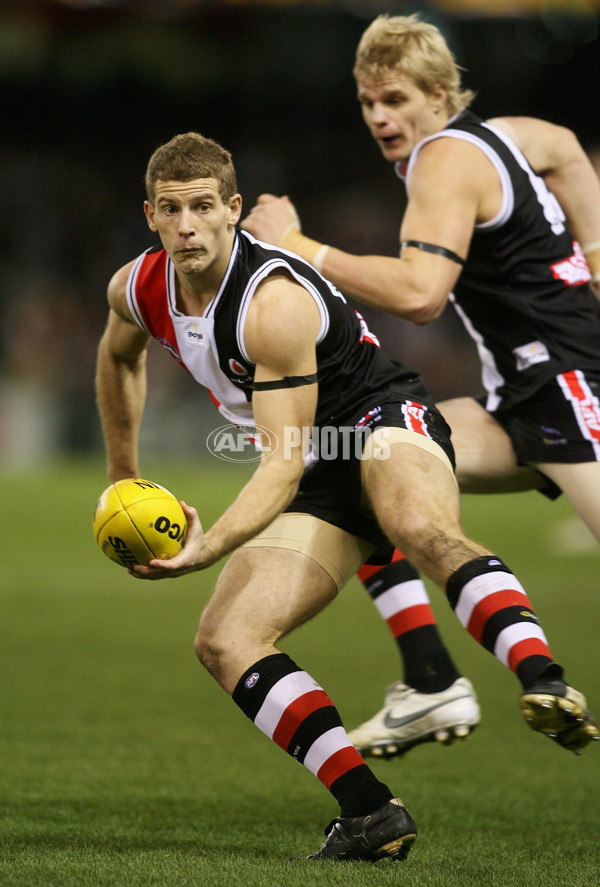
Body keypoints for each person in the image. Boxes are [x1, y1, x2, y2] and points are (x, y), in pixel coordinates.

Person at [96, 132, 597, 862]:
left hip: (379, 417)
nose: (187, 225)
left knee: (417, 522)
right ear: (149, 214)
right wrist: (122, 476)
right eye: (171, 209)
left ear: (233, 209)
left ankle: (542, 677)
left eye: (203, 207)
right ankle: (370, 811)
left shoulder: (273, 302)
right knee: (225, 641)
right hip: (316, 465)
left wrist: (209, 545)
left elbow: (280, 462)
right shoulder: (135, 287)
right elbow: (117, 357)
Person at [240, 12, 600, 760]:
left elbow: (421, 293)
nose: (379, 117)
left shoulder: (445, 159)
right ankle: (431, 679)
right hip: (522, 398)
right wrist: (593, 250)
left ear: (441, 96)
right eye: (369, 101)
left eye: (396, 99)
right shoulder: (502, 134)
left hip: (570, 387)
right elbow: (562, 149)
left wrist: (299, 245)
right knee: (367, 452)